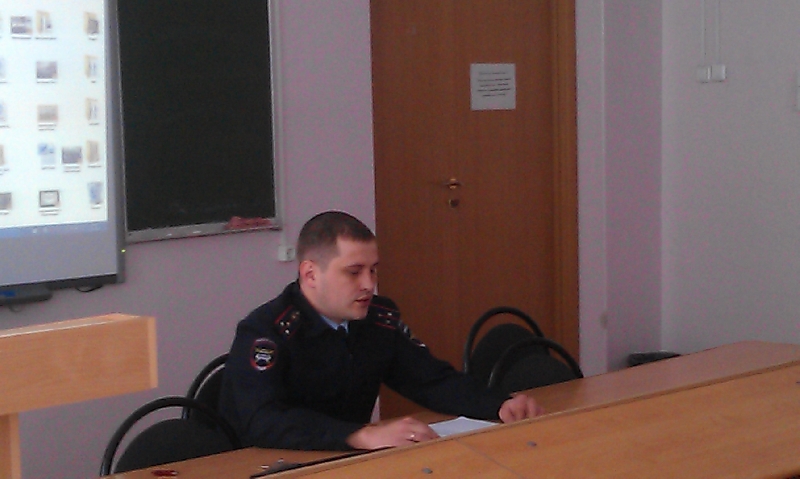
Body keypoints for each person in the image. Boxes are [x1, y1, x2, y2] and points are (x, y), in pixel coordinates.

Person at [218, 210, 543, 451]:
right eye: (354, 272)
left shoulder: (376, 320)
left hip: (348, 459)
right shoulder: (266, 331)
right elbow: (261, 421)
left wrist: (497, 404)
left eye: (373, 270)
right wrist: (359, 434)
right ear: (311, 274)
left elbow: (429, 380)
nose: (369, 285)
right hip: (270, 465)